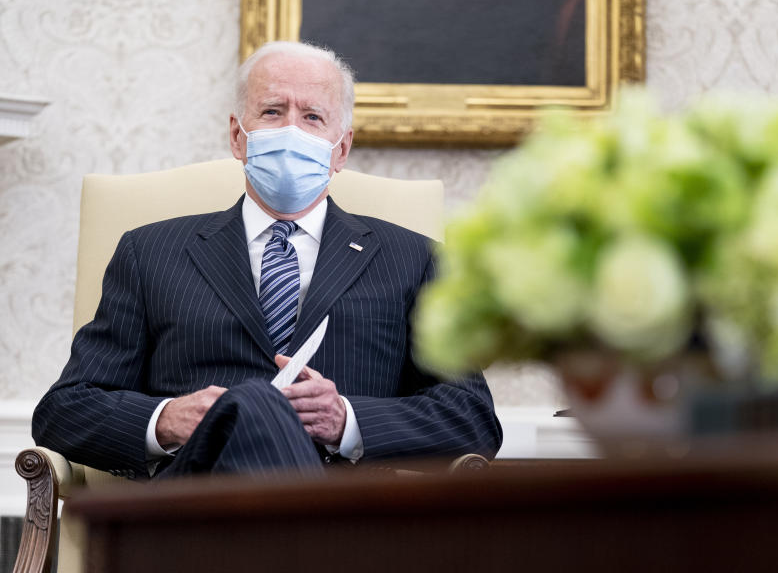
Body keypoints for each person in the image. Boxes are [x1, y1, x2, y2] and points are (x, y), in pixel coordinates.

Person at [31, 41, 503, 478]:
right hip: (195, 510)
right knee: (253, 404)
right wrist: (166, 420)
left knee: (252, 404)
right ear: (238, 136)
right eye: (272, 111)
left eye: (313, 117)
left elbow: (473, 418)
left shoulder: (414, 259)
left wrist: (347, 421)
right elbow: (65, 411)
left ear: (341, 149)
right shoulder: (149, 253)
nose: (291, 130)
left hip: (343, 512)